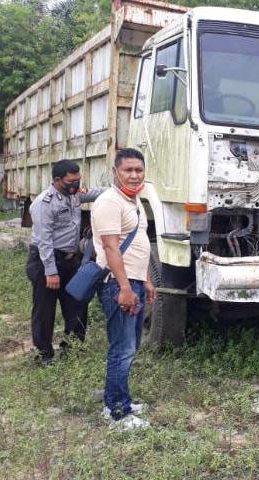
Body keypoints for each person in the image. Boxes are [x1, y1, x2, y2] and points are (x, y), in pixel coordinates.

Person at [91, 148, 155, 430]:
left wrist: (147, 281)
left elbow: (138, 243)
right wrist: (126, 288)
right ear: (115, 172)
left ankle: (116, 399)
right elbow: (111, 247)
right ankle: (118, 412)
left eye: (138, 170)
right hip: (119, 285)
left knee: (131, 345)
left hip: (134, 282)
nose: (133, 175)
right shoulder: (109, 202)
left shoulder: (134, 201)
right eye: (128, 170)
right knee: (123, 348)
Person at [27, 159, 105, 365]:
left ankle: (72, 349)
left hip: (71, 261)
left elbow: (98, 192)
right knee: (45, 308)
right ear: (57, 180)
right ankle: (43, 354)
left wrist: (121, 189)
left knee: (78, 303)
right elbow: (44, 241)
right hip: (46, 261)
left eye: (78, 180)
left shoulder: (74, 196)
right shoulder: (44, 203)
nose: (76, 185)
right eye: (71, 181)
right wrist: (50, 272)